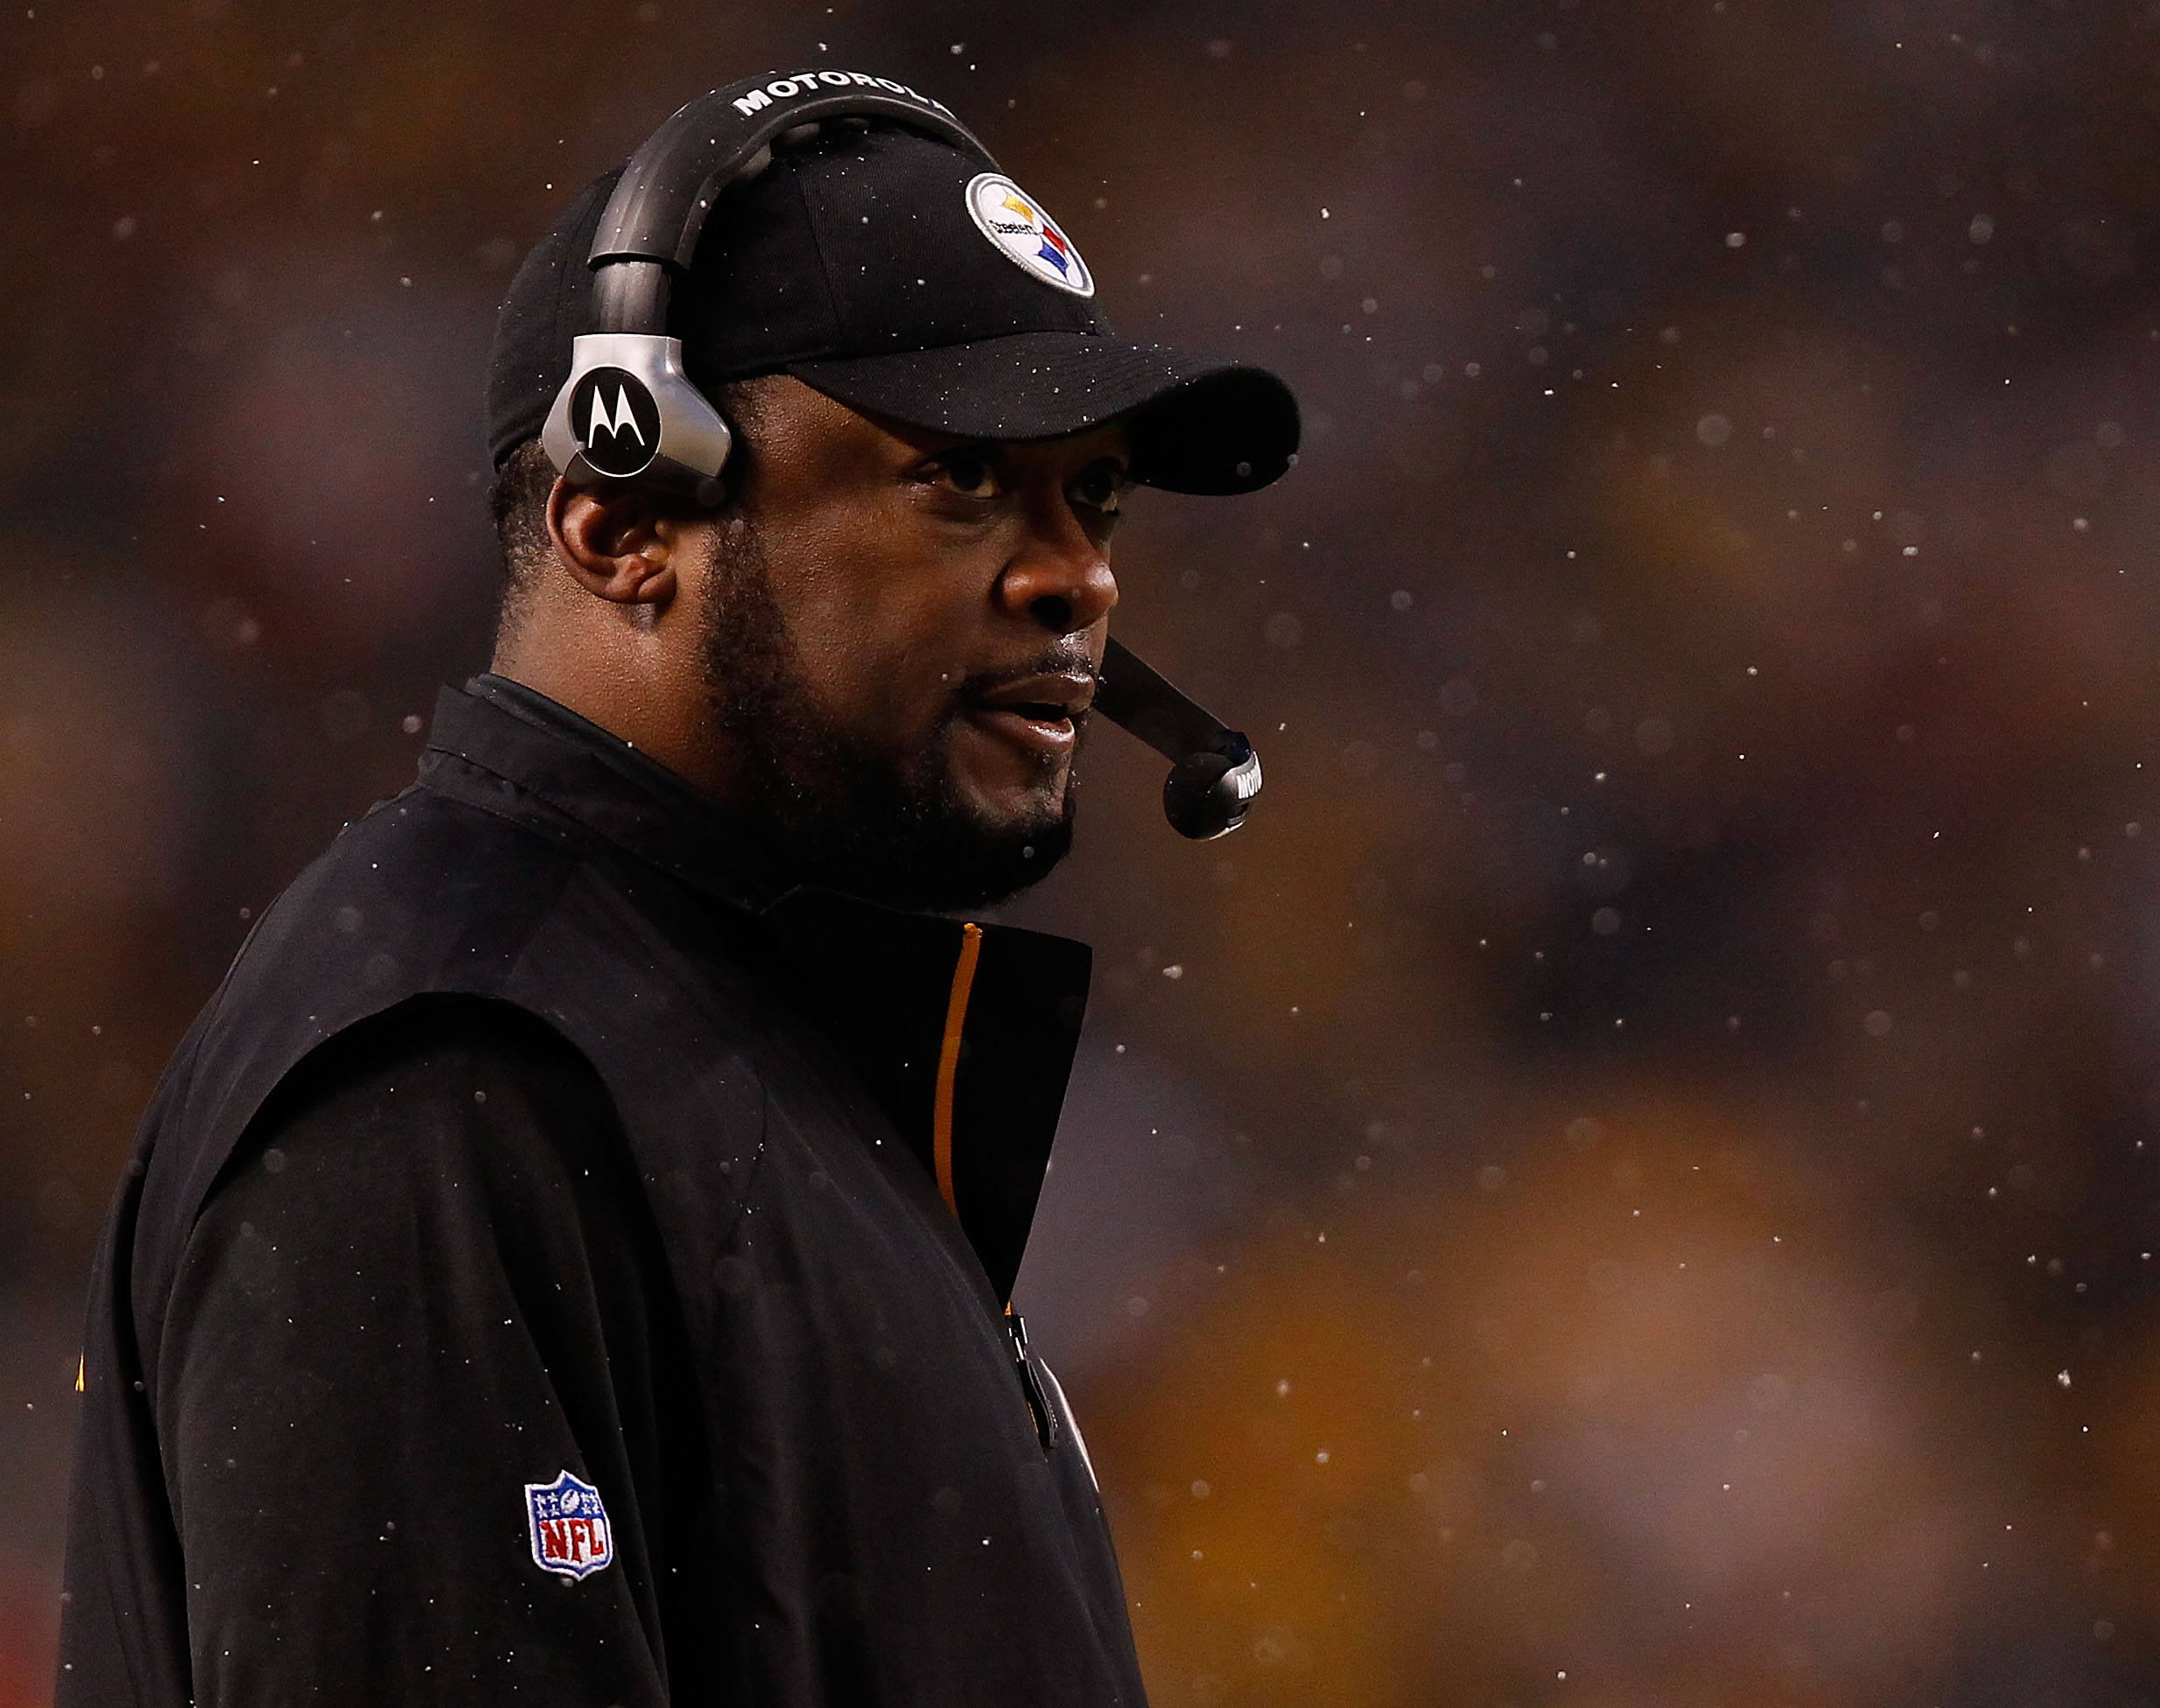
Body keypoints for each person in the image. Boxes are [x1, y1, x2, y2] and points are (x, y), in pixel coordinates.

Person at [54, 74, 1297, 1708]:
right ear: (623, 521)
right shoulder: (458, 1081)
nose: (1081, 574)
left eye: (1096, 494)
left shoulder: (727, 1066)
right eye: (962, 479)